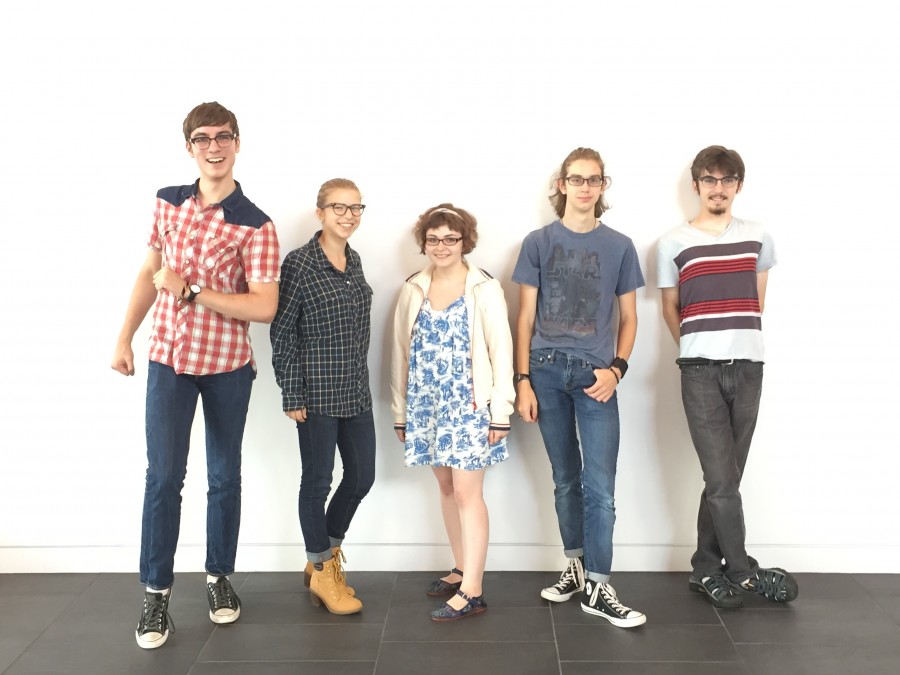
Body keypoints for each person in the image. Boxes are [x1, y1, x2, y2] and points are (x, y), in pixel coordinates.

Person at [110, 101, 280, 649]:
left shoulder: (256, 224)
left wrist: (191, 291)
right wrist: (124, 338)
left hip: (228, 368)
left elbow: (264, 307)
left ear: (237, 144)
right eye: (203, 138)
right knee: (163, 478)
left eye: (223, 136)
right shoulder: (167, 203)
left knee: (223, 476)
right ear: (190, 147)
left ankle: (219, 578)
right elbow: (148, 274)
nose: (214, 146)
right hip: (168, 361)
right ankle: (156, 594)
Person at [656, 145, 798, 609]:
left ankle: (703, 569)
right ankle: (741, 571)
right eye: (710, 180)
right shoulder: (673, 243)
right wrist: (699, 346)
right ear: (696, 185)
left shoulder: (758, 236)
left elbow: (756, 302)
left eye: (727, 180)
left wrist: (736, 345)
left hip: (749, 367)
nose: (718, 188)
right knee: (721, 478)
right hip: (698, 372)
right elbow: (670, 309)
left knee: (725, 478)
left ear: (738, 185)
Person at [512, 147, 646, 628]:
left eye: (594, 180)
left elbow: (630, 317)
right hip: (544, 371)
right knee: (565, 477)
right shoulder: (538, 241)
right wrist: (521, 380)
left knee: (601, 487)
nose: (585, 187)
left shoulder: (621, 246)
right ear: (562, 184)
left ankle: (599, 585)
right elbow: (524, 316)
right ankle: (575, 564)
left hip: (595, 378)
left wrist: (617, 370)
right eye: (576, 179)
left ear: (603, 186)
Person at [391, 204, 515, 622]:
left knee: (467, 492)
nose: (441, 246)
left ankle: (474, 591)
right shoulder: (413, 288)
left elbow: (502, 352)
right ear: (423, 242)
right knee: (446, 488)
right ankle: (461, 568)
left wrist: (502, 411)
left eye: (450, 238)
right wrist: (401, 412)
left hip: (470, 406)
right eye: (433, 239)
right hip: (427, 405)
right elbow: (400, 356)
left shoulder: (483, 287)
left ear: (465, 241)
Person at [270, 178, 375, 616]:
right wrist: (291, 391)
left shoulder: (355, 262)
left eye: (356, 208)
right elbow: (282, 331)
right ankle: (322, 570)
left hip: (354, 390)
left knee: (361, 477)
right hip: (314, 393)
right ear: (320, 213)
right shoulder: (299, 263)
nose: (348, 215)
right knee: (316, 482)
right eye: (339, 207)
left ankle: (323, 559)